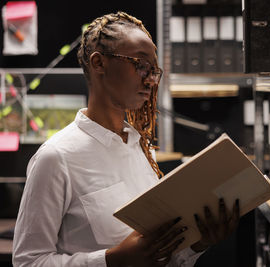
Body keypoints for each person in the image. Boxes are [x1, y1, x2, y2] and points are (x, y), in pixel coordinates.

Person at [12, 11, 240, 267]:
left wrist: (199, 244)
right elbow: (27, 262)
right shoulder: (56, 157)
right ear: (99, 64)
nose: (152, 80)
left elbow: (162, 257)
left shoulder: (140, 150)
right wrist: (111, 260)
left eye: (154, 70)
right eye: (141, 65)